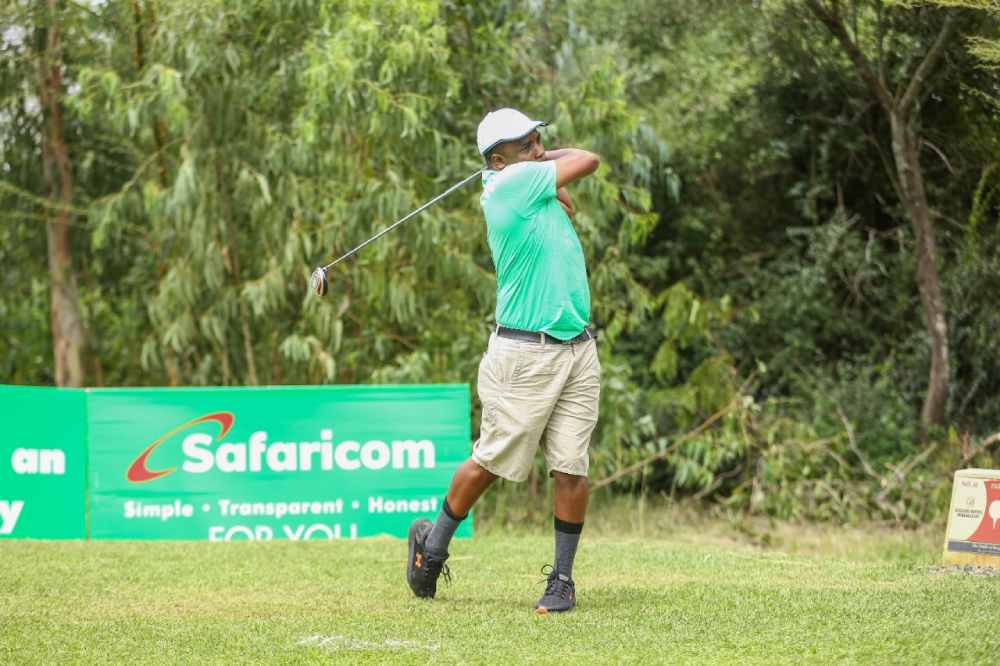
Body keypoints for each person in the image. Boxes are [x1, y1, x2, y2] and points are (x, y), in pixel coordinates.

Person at [405, 108, 602, 614]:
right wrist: (540, 162)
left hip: (577, 347)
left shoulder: (528, 185)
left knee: (571, 467)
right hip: (524, 353)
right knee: (492, 461)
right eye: (527, 143)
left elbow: (567, 201)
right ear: (496, 160)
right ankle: (432, 548)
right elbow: (588, 159)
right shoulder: (509, 189)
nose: (538, 147)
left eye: (539, 138)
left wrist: (532, 161)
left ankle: (562, 580)